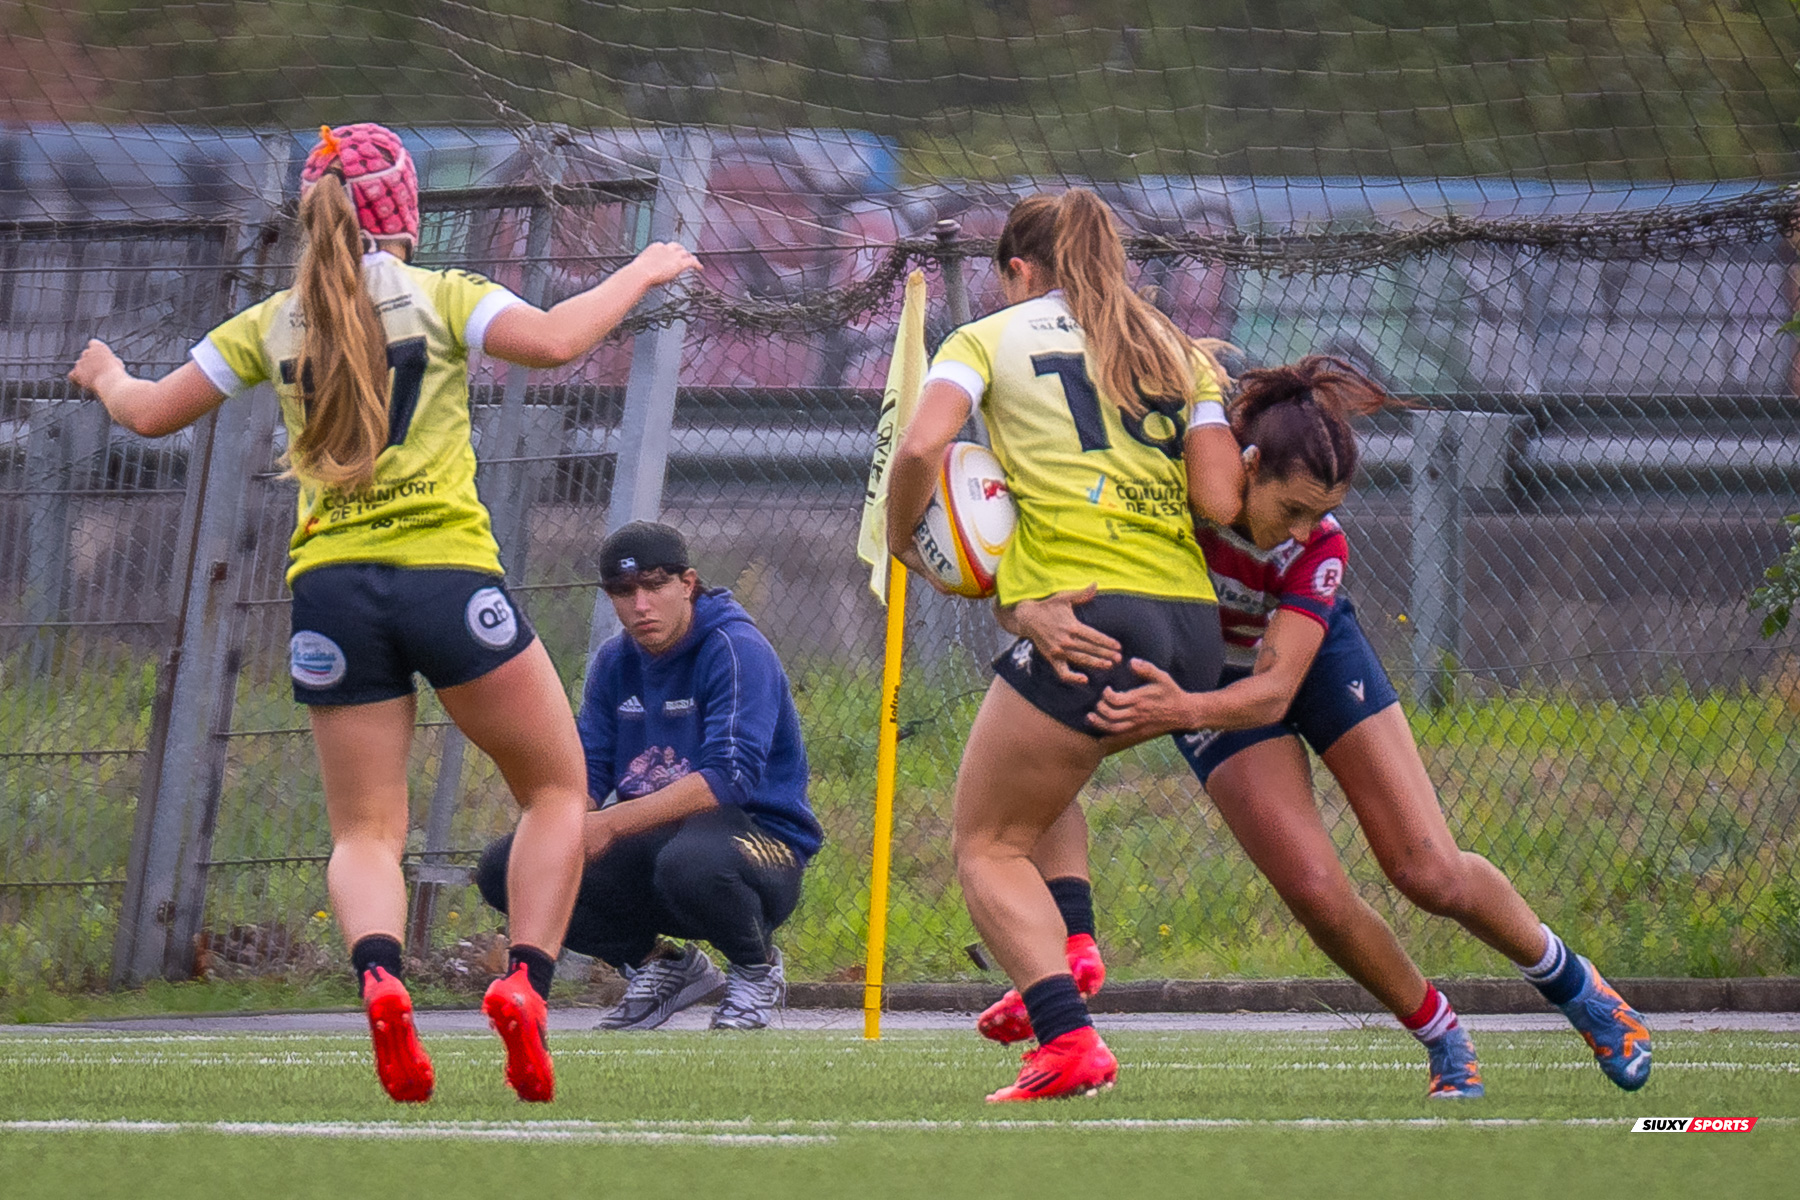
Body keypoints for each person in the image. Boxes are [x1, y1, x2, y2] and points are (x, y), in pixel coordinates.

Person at [67, 122, 701, 1103]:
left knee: (365, 831)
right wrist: (646, 266)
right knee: (556, 794)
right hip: (446, 580)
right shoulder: (441, 298)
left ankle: (378, 977)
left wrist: (105, 374)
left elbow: (149, 412)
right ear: (405, 211)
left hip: (330, 592)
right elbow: (558, 340)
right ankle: (526, 984)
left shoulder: (272, 320)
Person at [1004, 356, 1653, 1098]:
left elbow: (1275, 690)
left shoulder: (1319, 548)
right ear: (1246, 465)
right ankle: (1443, 1034)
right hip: (1214, 677)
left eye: (1322, 512)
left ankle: (1580, 988)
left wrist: (1179, 711)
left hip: (1299, 664)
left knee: (1428, 872)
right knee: (1314, 887)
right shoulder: (1170, 490)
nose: (1306, 529)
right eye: (1293, 508)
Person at [887, 189, 1243, 1102]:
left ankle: (1066, 1034)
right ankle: (1072, 942)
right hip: (1192, 629)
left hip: (1089, 617)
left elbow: (924, 449)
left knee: (983, 842)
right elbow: (1221, 503)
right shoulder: (1176, 347)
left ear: (1018, 269)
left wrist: (903, 540)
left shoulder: (988, 336)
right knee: (1042, 776)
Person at [476, 521, 822, 1031]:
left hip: (758, 843)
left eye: (655, 586)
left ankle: (755, 969)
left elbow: (730, 778)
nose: (640, 605)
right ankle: (660, 966)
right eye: (623, 591)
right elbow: (584, 775)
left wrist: (611, 824)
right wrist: (558, 825)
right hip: (655, 841)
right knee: (512, 864)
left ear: (688, 583)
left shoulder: (734, 647)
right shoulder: (614, 662)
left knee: (691, 862)